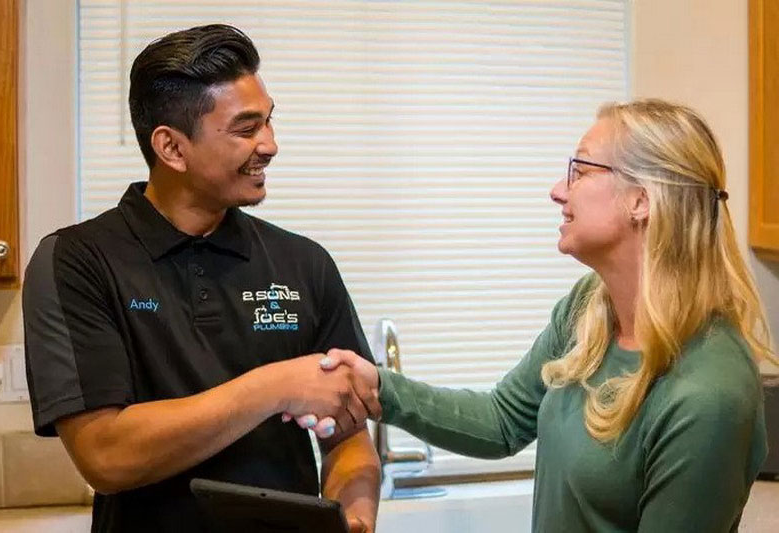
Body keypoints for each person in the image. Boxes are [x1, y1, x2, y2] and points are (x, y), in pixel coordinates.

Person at [304, 99, 778, 532]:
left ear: (641, 200)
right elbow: (501, 420)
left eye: (580, 171)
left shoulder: (708, 394)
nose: (557, 191)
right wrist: (377, 387)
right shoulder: (589, 309)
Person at [22, 24, 380, 533]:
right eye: (246, 129)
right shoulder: (78, 261)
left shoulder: (304, 262)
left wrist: (355, 515)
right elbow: (105, 455)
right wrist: (275, 386)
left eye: (269, 121)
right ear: (171, 148)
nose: (270, 144)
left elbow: (348, 436)